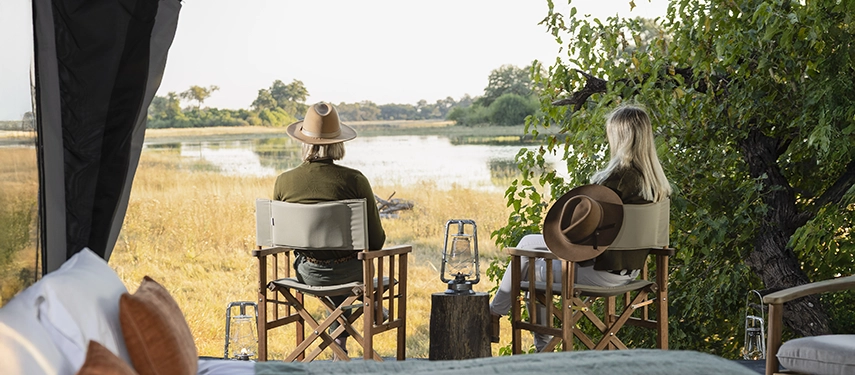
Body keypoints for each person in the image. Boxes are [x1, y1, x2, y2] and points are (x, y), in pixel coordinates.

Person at [489, 104, 672, 351]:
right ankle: (495, 313)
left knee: (531, 272)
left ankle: (535, 344)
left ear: (619, 137)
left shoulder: (614, 180)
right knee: (527, 243)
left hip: (600, 272)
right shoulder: (655, 184)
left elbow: (585, 241)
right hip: (632, 272)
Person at [273, 101, 386, 358]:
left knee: (333, 273)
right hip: (351, 275)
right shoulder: (355, 180)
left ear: (304, 141)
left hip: (307, 275)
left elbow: (282, 237)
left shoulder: (284, 181)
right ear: (339, 143)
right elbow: (376, 242)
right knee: (351, 273)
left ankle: (339, 344)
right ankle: (350, 330)